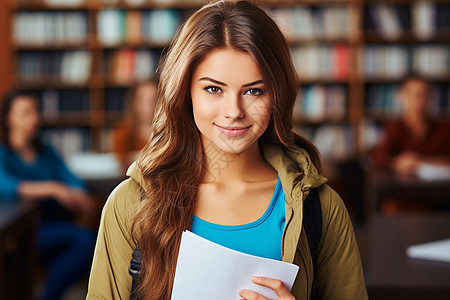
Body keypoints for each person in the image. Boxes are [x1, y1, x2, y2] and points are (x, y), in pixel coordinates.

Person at [87, 1, 367, 299]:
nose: (234, 111)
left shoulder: (320, 208)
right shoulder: (131, 203)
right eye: (213, 89)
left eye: (254, 91)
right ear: (184, 92)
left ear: (277, 95)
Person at [0, 91, 96, 300]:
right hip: (22, 233)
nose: (34, 118)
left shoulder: (47, 152)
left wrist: (74, 194)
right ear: (9, 119)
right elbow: (8, 186)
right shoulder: (3, 154)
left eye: (35, 111)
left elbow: (75, 182)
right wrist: (55, 188)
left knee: (86, 241)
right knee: (84, 241)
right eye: (25, 113)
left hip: (54, 226)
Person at [372, 76, 450, 174]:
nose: (419, 101)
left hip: (437, 186)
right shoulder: (395, 127)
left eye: (424, 94)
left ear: (431, 98)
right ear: (402, 97)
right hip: (403, 186)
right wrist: (397, 162)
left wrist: (420, 162)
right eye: (413, 95)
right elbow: (379, 157)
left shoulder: (444, 128)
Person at [112, 80, 158, 171]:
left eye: (153, 100)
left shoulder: (168, 131)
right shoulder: (123, 130)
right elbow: (121, 162)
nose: (149, 107)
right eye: (142, 100)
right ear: (134, 103)